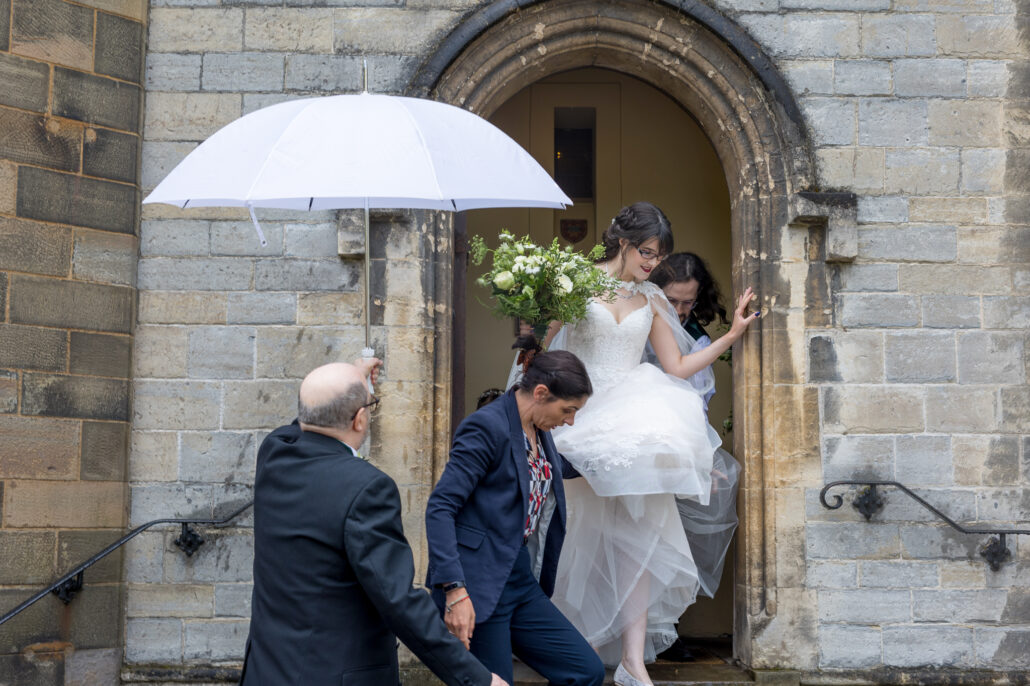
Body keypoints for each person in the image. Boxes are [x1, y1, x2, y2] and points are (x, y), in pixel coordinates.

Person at [542, 202, 758, 686]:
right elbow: (545, 348)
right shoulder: (575, 280)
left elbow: (678, 367)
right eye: (646, 252)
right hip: (580, 416)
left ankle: (633, 661)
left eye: (657, 255)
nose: (650, 263)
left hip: (635, 414)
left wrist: (732, 335)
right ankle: (576, 646)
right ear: (623, 242)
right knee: (572, 531)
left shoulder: (652, 298)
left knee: (638, 537)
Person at [241, 359, 507, 686]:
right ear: (359, 419)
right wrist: (478, 679)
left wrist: (350, 382)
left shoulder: (273, 453)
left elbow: (309, 419)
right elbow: (399, 602)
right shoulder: (368, 488)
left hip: (267, 672)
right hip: (335, 675)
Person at [425, 350, 606, 686]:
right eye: (568, 410)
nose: (570, 421)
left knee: (585, 671)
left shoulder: (537, 428)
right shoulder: (486, 427)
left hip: (520, 578)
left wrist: (634, 460)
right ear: (540, 393)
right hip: (478, 582)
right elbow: (441, 507)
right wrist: (454, 590)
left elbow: (550, 469)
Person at [647, 252, 737, 663]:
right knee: (647, 542)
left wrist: (703, 460)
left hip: (684, 448)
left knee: (677, 543)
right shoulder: (646, 324)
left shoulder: (695, 334)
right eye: (674, 300)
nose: (681, 310)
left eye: (688, 302)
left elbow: (697, 408)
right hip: (648, 447)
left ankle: (666, 633)